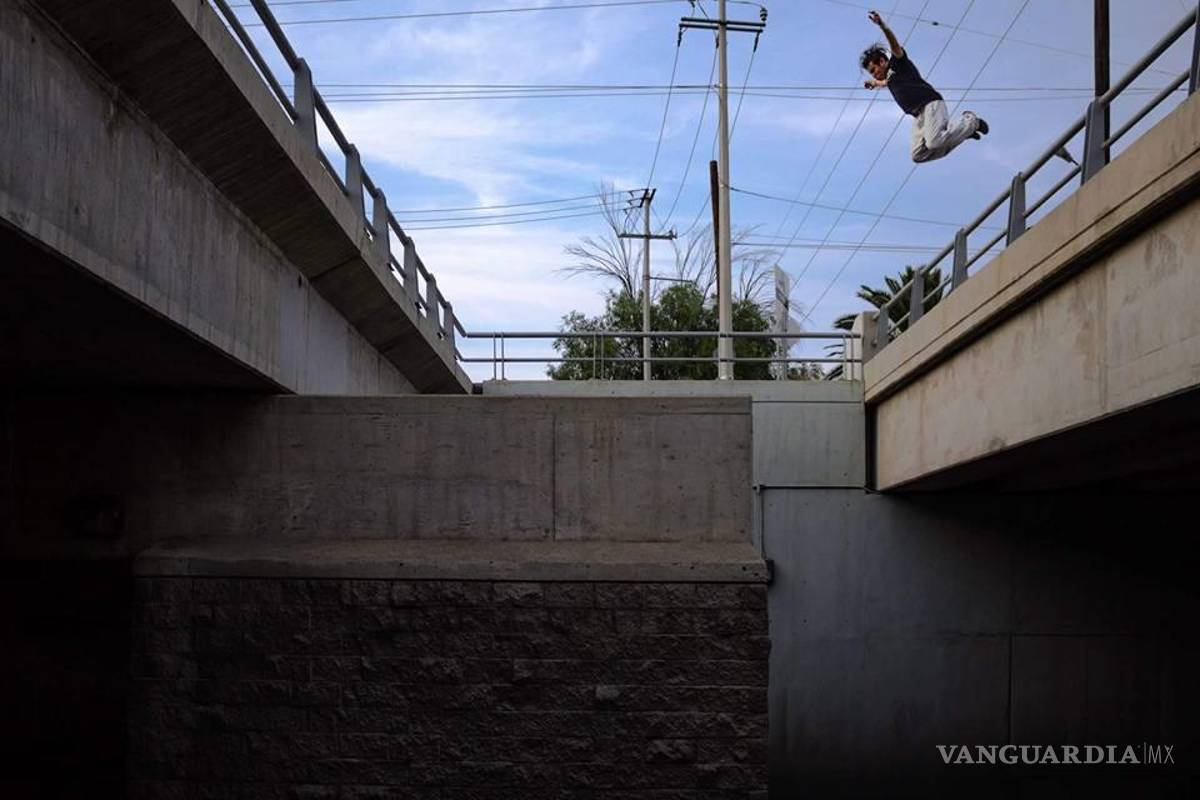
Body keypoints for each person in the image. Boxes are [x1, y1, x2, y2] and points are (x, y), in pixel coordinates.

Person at [860, 9, 988, 163]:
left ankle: (971, 121)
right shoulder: (891, 79)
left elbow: (894, 45)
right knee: (918, 155)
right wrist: (874, 83)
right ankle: (965, 132)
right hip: (919, 116)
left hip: (930, 104)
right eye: (871, 73)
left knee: (934, 142)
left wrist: (882, 26)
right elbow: (885, 83)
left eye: (874, 70)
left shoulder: (898, 63)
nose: (874, 74)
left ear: (882, 61)